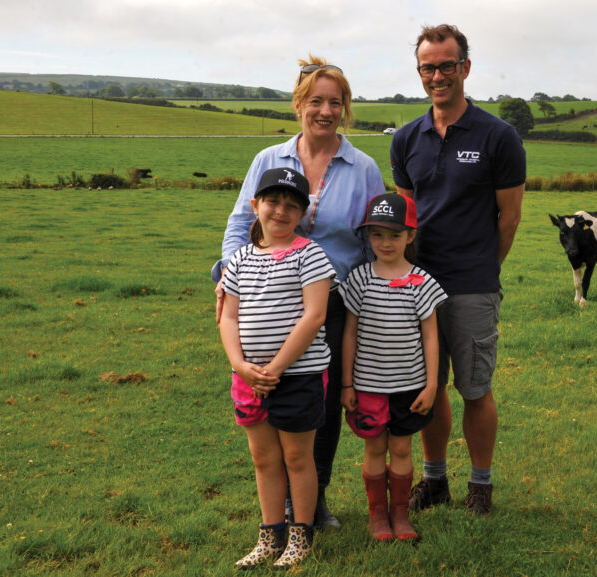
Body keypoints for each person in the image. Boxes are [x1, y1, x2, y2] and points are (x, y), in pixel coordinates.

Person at [214, 56, 386, 529]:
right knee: (267, 388)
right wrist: (229, 281)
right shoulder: (267, 160)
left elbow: (373, 239)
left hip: (331, 304)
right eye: (316, 101)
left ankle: (315, 496)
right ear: (298, 104)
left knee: (322, 402)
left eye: (336, 102)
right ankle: (282, 500)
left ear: (346, 109)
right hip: (267, 300)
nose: (325, 111)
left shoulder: (364, 167)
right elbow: (237, 225)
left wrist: (370, 303)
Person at [389, 24, 527, 516]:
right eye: (429, 67)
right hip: (418, 285)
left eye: (448, 65)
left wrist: (484, 271)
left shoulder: (499, 137)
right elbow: (406, 221)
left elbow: (509, 218)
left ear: (465, 68)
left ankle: (481, 486)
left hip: (472, 285)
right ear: (420, 72)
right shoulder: (406, 139)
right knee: (427, 387)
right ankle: (436, 479)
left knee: (475, 388)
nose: (438, 75)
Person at [219, 167, 335, 568]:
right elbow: (228, 318)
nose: (281, 211)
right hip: (248, 378)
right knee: (264, 459)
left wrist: (276, 368)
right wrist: (239, 365)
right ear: (255, 206)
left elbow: (315, 315)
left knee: (298, 459)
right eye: (272, 202)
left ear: (303, 213)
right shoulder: (239, 261)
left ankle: (301, 536)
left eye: (291, 205)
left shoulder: (310, 254)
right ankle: (270, 536)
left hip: (298, 377)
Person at [339, 193, 447, 541]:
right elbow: (349, 333)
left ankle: (401, 515)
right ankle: (377, 517)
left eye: (395, 235)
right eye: (377, 234)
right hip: (367, 387)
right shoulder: (358, 279)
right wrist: (346, 384)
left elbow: (431, 337)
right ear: (368, 236)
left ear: (411, 236)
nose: (386, 243)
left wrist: (431, 385)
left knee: (401, 449)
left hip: (410, 387)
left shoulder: (422, 282)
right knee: (374, 449)